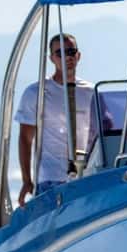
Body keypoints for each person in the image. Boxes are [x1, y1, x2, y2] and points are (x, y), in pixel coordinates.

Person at [15, 33, 94, 205]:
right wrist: (27, 180)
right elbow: (25, 139)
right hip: (50, 181)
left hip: (86, 178)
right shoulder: (37, 93)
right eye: (60, 53)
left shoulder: (91, 92)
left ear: (78, 55)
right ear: (52, 58)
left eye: (71, 51)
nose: (67, 57)